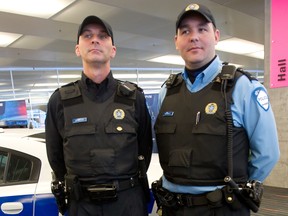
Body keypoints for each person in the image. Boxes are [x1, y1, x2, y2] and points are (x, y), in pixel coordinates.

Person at [152, 3, 280, 216]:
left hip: (222, 208)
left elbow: (267, 154)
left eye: (202, 29)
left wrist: (237, 186)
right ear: (176, 41)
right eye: (186, 31)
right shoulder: (167, 91)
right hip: (173, 208)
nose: (194, 37)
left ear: (216, 36)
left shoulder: (243, 87)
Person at [45, 15, 152, 216]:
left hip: (128, 204)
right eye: (87, 36)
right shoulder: (60, 101)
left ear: (113, 50)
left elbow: (144, 149)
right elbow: (56, 156)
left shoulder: (133, 98)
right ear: (77, 48)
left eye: (103, 36)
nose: (95, 40)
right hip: (82, 205)